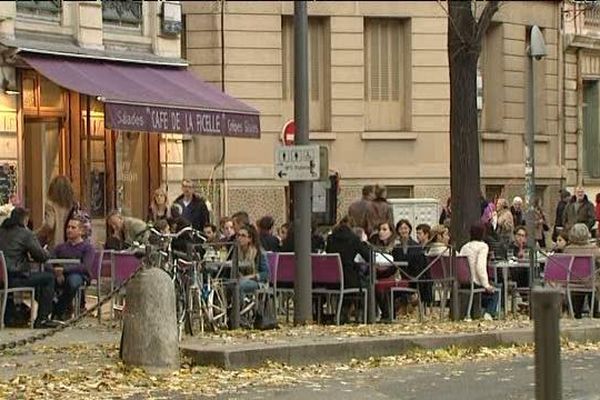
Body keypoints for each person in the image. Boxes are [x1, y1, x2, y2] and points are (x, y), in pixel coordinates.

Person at [0, 208, 59, 328]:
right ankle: (42, 318)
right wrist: (46, 252)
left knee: (38, 278)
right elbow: (40, 256)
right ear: (25, 220)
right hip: (15, 277)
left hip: (1, 278)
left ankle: (13, 315)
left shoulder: (1, 231)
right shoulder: (25, 233)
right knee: (48, 278)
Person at [325, 215, 371, 322]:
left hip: (332, 279)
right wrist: (363, 242)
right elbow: (367, 256)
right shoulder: (354, 239)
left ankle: (343, 312)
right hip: (349, 280)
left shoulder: (331, 238)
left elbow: (328, 253)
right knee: (365, 283)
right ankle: (361, 314)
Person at [51, 217, 95, 320]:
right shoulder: (60, 247)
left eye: (73, 227)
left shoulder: (88, 248)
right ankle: (55, 309)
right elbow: (51, 260)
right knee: (45, 281)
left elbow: (85, 267)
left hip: (79, 275)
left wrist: (64, 270)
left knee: (72, 282)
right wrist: (57, 271)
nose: (69, 230)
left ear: (81, 231)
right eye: (68, 227)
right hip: (60, 275)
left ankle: (59, 310)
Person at [459, 224, 499, 320]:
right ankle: (489, 312)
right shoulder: (483, 246)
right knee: (496, 289)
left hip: (464, 280)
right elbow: (480, 267)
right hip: (476, 281)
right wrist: (486, 285)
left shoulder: (464, 247)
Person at [563, 223, 600, 318]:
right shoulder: (595, 250)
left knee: (577, 293)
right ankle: (595, 313)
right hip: (590, 283)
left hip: (573, 283)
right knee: (595, 283)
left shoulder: (567, 250)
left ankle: (576, 314)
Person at [37, 175, 76, 249]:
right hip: (72, 244)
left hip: (56, 244)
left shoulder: (50, 204)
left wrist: (37, 233)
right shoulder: (72, 205)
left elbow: (49, 225)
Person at [236, 224, 269, 298]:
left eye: (243, 236)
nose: (239, 238)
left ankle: (239, 308)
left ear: (250, 239)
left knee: (238, 286)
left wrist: (250, 277)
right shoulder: (237, 252)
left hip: (258, 282)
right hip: (240, 279)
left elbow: (266, 274)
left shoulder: (259, 252)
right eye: (238, 235)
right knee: (224, 285)